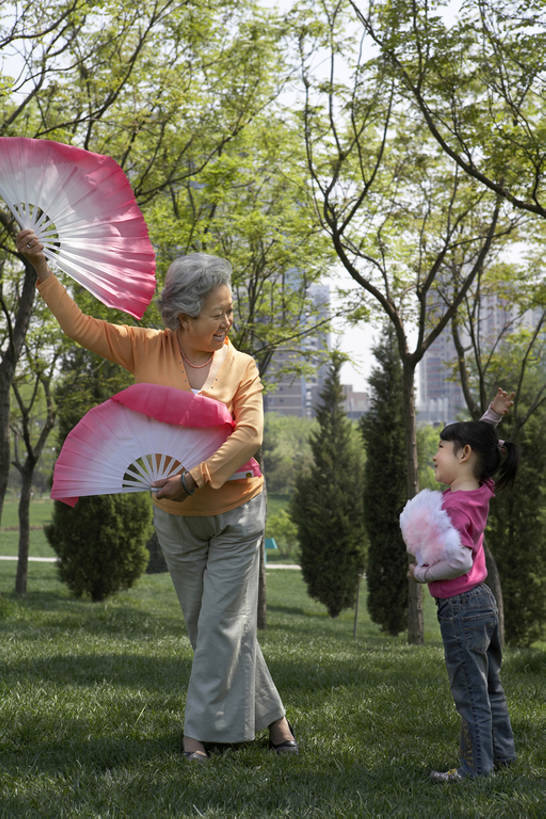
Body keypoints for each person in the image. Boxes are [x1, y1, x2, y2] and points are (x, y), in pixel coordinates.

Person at [16, 228, 297, 762]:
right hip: (176, 520)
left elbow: (251, 436)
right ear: (183, 318)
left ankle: (197, 736)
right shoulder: (146, 348)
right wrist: (42, 270)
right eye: (218, 313)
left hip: (237, 512)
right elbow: (79, 327)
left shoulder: (242, 366)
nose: (228, 322)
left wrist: (194, 477)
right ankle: (276, 720)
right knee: (211, 626)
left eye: (230, 311)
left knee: (220, 624)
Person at [408, 388, 518, 782]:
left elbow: (457, 560)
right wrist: (491, 415)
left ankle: (475, 769)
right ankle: (502, 756)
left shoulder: (455, 506)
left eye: (440, 447)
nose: (435, 454)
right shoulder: (480, 489)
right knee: (490, 687)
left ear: (463, 455)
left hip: (461, 610)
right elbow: (482, 446)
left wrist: (421, 573)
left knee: (471, 693)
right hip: (482, 604)